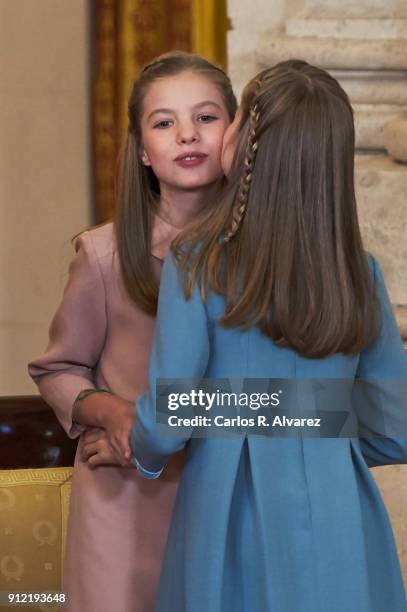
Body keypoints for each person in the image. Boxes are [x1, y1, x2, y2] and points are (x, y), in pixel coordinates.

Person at [130, 60, 407, 611]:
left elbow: (169, 421)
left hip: (230, 511)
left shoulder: (197, 260)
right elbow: (396, 427)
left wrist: (144, 454)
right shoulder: (361, 269)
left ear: (247, 144)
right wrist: (317, 425)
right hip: (341, 514)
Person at [28, 51, 237, 612]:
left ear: (237, 133)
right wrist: (116, 414)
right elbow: (57, 368)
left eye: (207, 117)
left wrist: (155, 437)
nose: (187, 135)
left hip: (227, 498)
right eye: (164, 123)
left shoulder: (266, 259)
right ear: (143, 150)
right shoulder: (103, 254)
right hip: (124, 510)